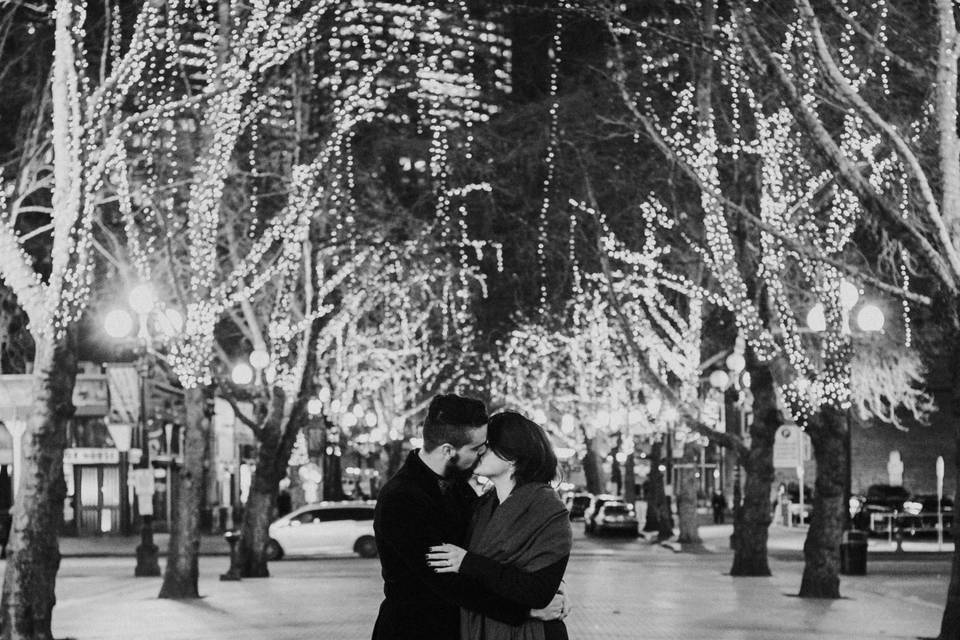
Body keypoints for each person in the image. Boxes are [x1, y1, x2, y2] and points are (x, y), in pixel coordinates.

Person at [372, 395, 565, 640]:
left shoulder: (457, 485)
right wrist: (529, 610)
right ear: (447, 451)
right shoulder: (400, 499)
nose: (483, 452)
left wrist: (549, 586)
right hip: (415, 630)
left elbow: (497, 549)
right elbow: (448, 582)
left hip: (459, 628)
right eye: (476, 448)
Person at [427, 411, 573, 640]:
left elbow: (538, 591)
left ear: (512, 456)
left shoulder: (548, 510)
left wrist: (467, 563)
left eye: (488, 445)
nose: (480, 451)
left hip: (535, 633)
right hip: (485, 627)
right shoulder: (483, 505)